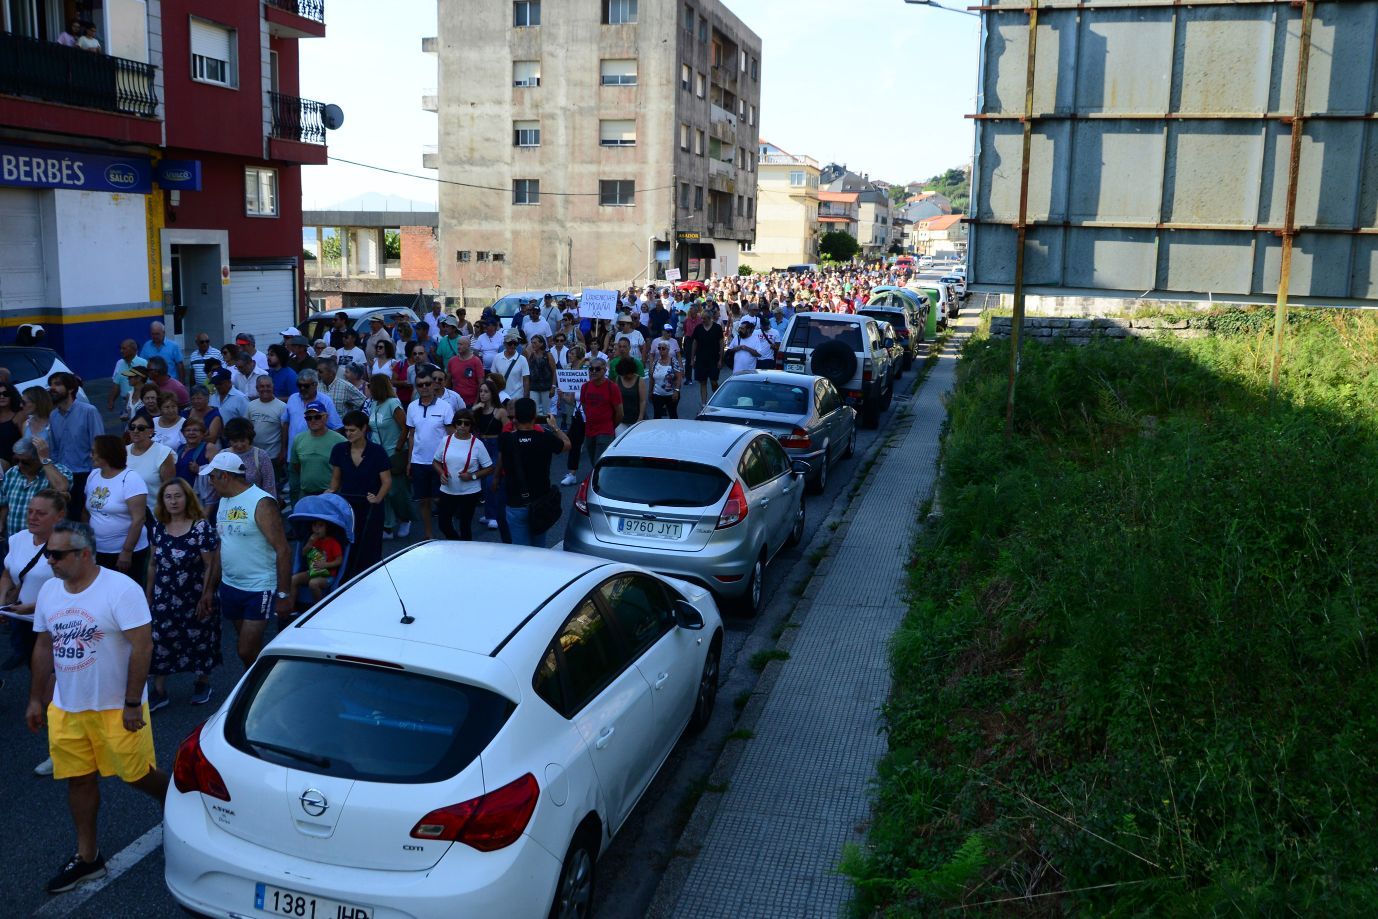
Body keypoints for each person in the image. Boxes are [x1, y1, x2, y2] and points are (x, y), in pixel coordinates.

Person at [26, 520, 168, 895]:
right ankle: (88, 857)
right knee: (79, 778)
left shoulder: (121, 590)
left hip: (117, 707)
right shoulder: (50, 592)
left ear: (84, 554)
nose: (49, 561)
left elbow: (143, 646)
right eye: (46, 554)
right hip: (68, 706)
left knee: (136, 775)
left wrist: (133, 702)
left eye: (56, 554)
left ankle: (176, 802)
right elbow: (43, 646)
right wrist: (35, 698)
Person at [202, 452, 291, 665]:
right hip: (230, 586)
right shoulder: (224, 501)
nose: (210, 482)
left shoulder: (262, 502)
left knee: (245, 649)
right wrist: (209, 589)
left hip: (259, 587)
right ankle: (257, 690)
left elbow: (283, 550)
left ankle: (262, 686)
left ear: (224, 476)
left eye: (212, 477)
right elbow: (221, 545)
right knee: (248, 650)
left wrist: (284, 594)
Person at [145, 479, 219, 711]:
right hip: (164, 595)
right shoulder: (158, 527)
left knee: (199, 638)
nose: (173, 501)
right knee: (160, 640)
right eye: (168, 497)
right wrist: (148, 596)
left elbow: (211, 565)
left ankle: (202, 682)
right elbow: (153, 565)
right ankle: (159, 690)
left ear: (187, 498)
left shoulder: (201, 528)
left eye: (178, 496)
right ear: (162, 501)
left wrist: (207, 594)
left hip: (194, 594)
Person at [0, 486, 65, 678]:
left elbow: (73, 591)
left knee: (55, 673)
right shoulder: (18, 539)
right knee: (33, 666)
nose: (32, 517)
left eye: (40, 513)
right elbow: (7, 574)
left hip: (55, 624)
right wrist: (2, 601)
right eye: (30, 512)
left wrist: (34, 608)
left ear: (59, 516)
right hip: (22, 621)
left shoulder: (70, 546)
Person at [495, 398, 569, 548]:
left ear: (515, 416)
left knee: (520, 548)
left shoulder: (505, 439)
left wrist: (496, 479)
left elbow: (501, 459)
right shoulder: (545, 438)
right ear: (534, 415)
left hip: (515, 501)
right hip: (540, 501)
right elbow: (567, 444)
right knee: (539, 546)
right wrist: (555, 427)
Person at [326, 410, 390, 574]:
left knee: (370, 546)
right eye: (346, 430)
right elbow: (336, 479)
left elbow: (386, 481)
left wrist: (377, 499)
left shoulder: (377, 452)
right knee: (347, 543)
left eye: (352, 430)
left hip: (371, 507)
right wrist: (330, 492)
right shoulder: (339, 450)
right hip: (347, 506)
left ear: (364, 429)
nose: (348, 434)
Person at [87, 434, 152, 576]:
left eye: (94, 452)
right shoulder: (93, 475)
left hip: (125, 553)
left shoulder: (131, 479)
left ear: (107, 454)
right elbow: (87, 511)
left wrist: (127, 551)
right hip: (97, 550)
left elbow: (139, 519)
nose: (90, 455)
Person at [400, 374, 454, 540]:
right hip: (418, 461)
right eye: (420, 385)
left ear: (433, 385)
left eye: (427, 384)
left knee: (440, 499)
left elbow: (450, 434)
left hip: (439, 461)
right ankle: (428, 533)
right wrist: (409, 461)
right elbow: (411, 434)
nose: (424, 387)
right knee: (423, 500)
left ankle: (447, 528)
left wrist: (450, 459)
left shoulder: (445, 406)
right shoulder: (411, 407)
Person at [46, 372, 102, 519]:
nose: (52, 388)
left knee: (84, 518)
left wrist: (96, 476)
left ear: (71, 389)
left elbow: (99, 445)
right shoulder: (53, 415)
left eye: (57, 384)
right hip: (63, 477)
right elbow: (55, 449)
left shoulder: (89, 411)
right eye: (51, 384)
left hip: (85, 475)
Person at [432, 409, 493, 541]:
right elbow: (435, 462)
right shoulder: (446, 440)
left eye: (467, 423)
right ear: (455, 424)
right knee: (443, 524)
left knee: (465, 526)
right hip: (448, 490)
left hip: (469, 492)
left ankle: (465, 553)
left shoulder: (477, 444)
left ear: (471, 426)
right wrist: (441, 473)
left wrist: (472, 476)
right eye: (459, 423)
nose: (462, 426)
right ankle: (457, 543)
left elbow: (489, 468)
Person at [572, 357, 622, 479]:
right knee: (594, 460)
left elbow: (620, 413)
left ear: (604, 370)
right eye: (591, 369)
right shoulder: (585, 387)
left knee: (599, 462)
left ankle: (599, 487)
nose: (593, 371)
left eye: (597, 369)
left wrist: (610, 426)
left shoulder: (612, 387)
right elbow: (585, 406)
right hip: (589, 431)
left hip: (605, 431)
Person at [473, 379, 509, 538]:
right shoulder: (478, 410)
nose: (483, 394)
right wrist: (474, 409)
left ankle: (494, 515)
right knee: (482, 480)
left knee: (491, 481)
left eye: (486, 391)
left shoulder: (500, 411)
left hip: (495, 445)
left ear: (492, 393)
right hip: (481, 445)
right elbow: (466, 421)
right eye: (481, 391)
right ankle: (488, 513)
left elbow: (507, 429)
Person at [289, 400, 345, 500]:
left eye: (317, 417)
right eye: (309, 418)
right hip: (306, 495)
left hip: (331, 495)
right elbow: (296, 466)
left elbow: (346, 470)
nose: (313, 420)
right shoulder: (298, 439)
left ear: (326, 417)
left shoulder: (340, 441)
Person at [124, 418, 175, 513]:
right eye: (132, 427)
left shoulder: (163, 453)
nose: (135, 431)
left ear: (151, 431)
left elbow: (170, 489)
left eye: (141, 428)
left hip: (155, 514)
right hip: (126, 514)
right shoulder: (123, 452)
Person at [221, 417, 276, 497]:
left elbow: (269, 486)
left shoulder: (261, 456)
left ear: (249, 438)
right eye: (235, 441)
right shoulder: (223, 455)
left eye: (242, 440)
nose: (239, 445)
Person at [290, 519, 343, 602]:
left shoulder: (333, 543)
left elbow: (339, 560)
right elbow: (303, 553)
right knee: (293, 579)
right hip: (313, 571)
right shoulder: (313, 540)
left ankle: (318, 608)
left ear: (327, 528)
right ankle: (291, 607)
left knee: (313, 583)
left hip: (328, 576)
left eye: (321, 525)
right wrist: (310, 543)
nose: (317, 529)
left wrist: (325, 565)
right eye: (314, 525)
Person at [286, 369, 343, 445]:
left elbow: (336, 427)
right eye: (299, 385)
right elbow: (285, 422)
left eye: (306, 386)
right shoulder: (292, 398)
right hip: (293, 448)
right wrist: (283, 448)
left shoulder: (326, 401)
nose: (302, 388)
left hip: (317, 449)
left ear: (315, 384)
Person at [174, 418, 219, 513]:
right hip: (182, 496)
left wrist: (200, 469)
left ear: (203, 433)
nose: (191, 433)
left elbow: (217, 474)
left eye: (195, 430)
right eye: (188, 430)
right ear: (183, 433)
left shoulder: (209, 447)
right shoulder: (180, 448)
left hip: (201, 500)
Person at [692, 308, 725, 401]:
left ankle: (717, 400)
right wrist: (692, 358)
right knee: (703, 382)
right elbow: (695, 343)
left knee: (714, 382)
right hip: (701, 359)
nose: (702, 320)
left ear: (710, 318)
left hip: (714, 359)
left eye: (704, 318)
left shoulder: (717, 328)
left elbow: (721, 343)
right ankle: (703, 404)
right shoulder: (698, 328)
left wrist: (720, 359)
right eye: (702, 318)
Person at [109, 340, 146, 419]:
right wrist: (111, 400)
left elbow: (149, 384)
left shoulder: (144, 363)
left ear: (133, 349)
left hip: (141, 402)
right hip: (125, 402)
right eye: (121, 348)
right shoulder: (119, 363)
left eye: (124, 348)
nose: (121, 351)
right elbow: (116, 383)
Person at [446, 334, 486, 407]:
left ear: (468, 346)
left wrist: (476, 402)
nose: (458, 346)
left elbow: (481, 383)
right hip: (455, 401)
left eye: (461, 344)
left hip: (471, 402)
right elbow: (448, 381)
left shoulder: (476, 361)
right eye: (458, 344)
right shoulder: (452, 361)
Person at [526, 334, 557, 417]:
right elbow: (528, 371)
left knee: (546, 411)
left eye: (535, 343)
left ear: (541, 343)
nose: (533, 345)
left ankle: (548, 428)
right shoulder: (531, 356)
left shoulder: (548, 355)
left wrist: (553, 387)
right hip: (534, 387)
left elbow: (554, 371)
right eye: (532, 343)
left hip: (546, 386)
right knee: (534, 411)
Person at [650, 342, 682, 419]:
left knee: (672, 415)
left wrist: (676, 391)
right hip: (657, 394)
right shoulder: (655, 362)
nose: (661, 350)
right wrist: (650, 392)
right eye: (659, 348)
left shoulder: (673, 361)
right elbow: (652, 378)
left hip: (671, 395)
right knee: (657, 416)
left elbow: (679, 377)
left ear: (668, 350)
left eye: (663, 348)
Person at [615, 357, 646, 432]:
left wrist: (640, 417)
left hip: (636, 419)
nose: (627, 376)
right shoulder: (618, 379)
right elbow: (616, 399)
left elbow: (643, 401)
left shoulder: (640, 380)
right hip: (622, 420)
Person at [0, 381, 25, 467]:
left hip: (14, 460)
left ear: (12, 395)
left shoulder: (20, 415)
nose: (2, 396)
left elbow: (27, 441)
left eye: (6, 393)